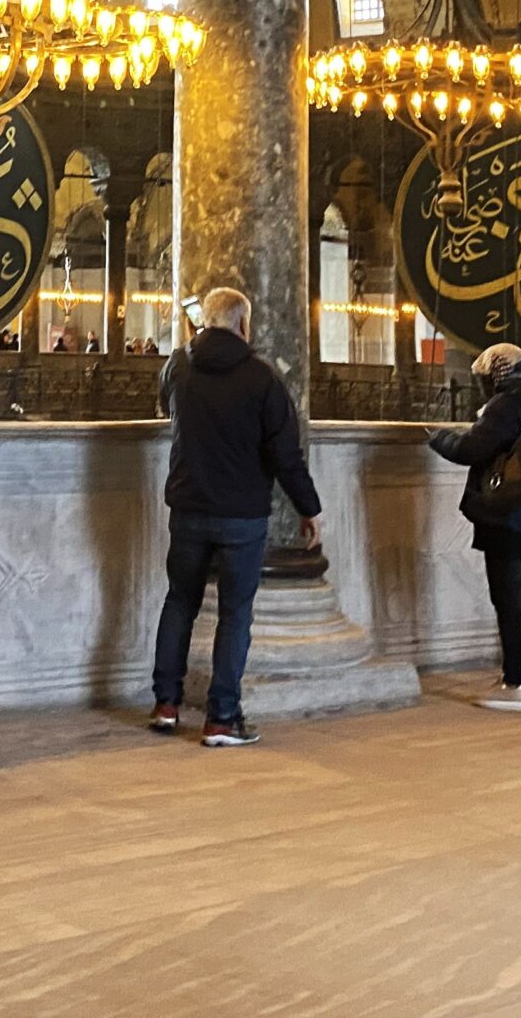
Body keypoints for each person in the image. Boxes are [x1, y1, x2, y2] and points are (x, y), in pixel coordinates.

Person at [150, 285, 321, 749]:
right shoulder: (262, 377)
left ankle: (167, 705)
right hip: (242, 516)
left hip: (188, 506)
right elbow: (287, 455)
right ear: (245, 324)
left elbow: (168, 409)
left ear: (204, 321)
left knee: (179, 602)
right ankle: (221, 719)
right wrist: (309, 508)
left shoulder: (179, 366)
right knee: (234, 614)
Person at [430, 343, 521, 713]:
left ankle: (512, 684)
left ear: (497, 375)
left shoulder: (506, 405)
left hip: (505, 513)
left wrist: (438, 437)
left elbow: (470, 450)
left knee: (507, 598)